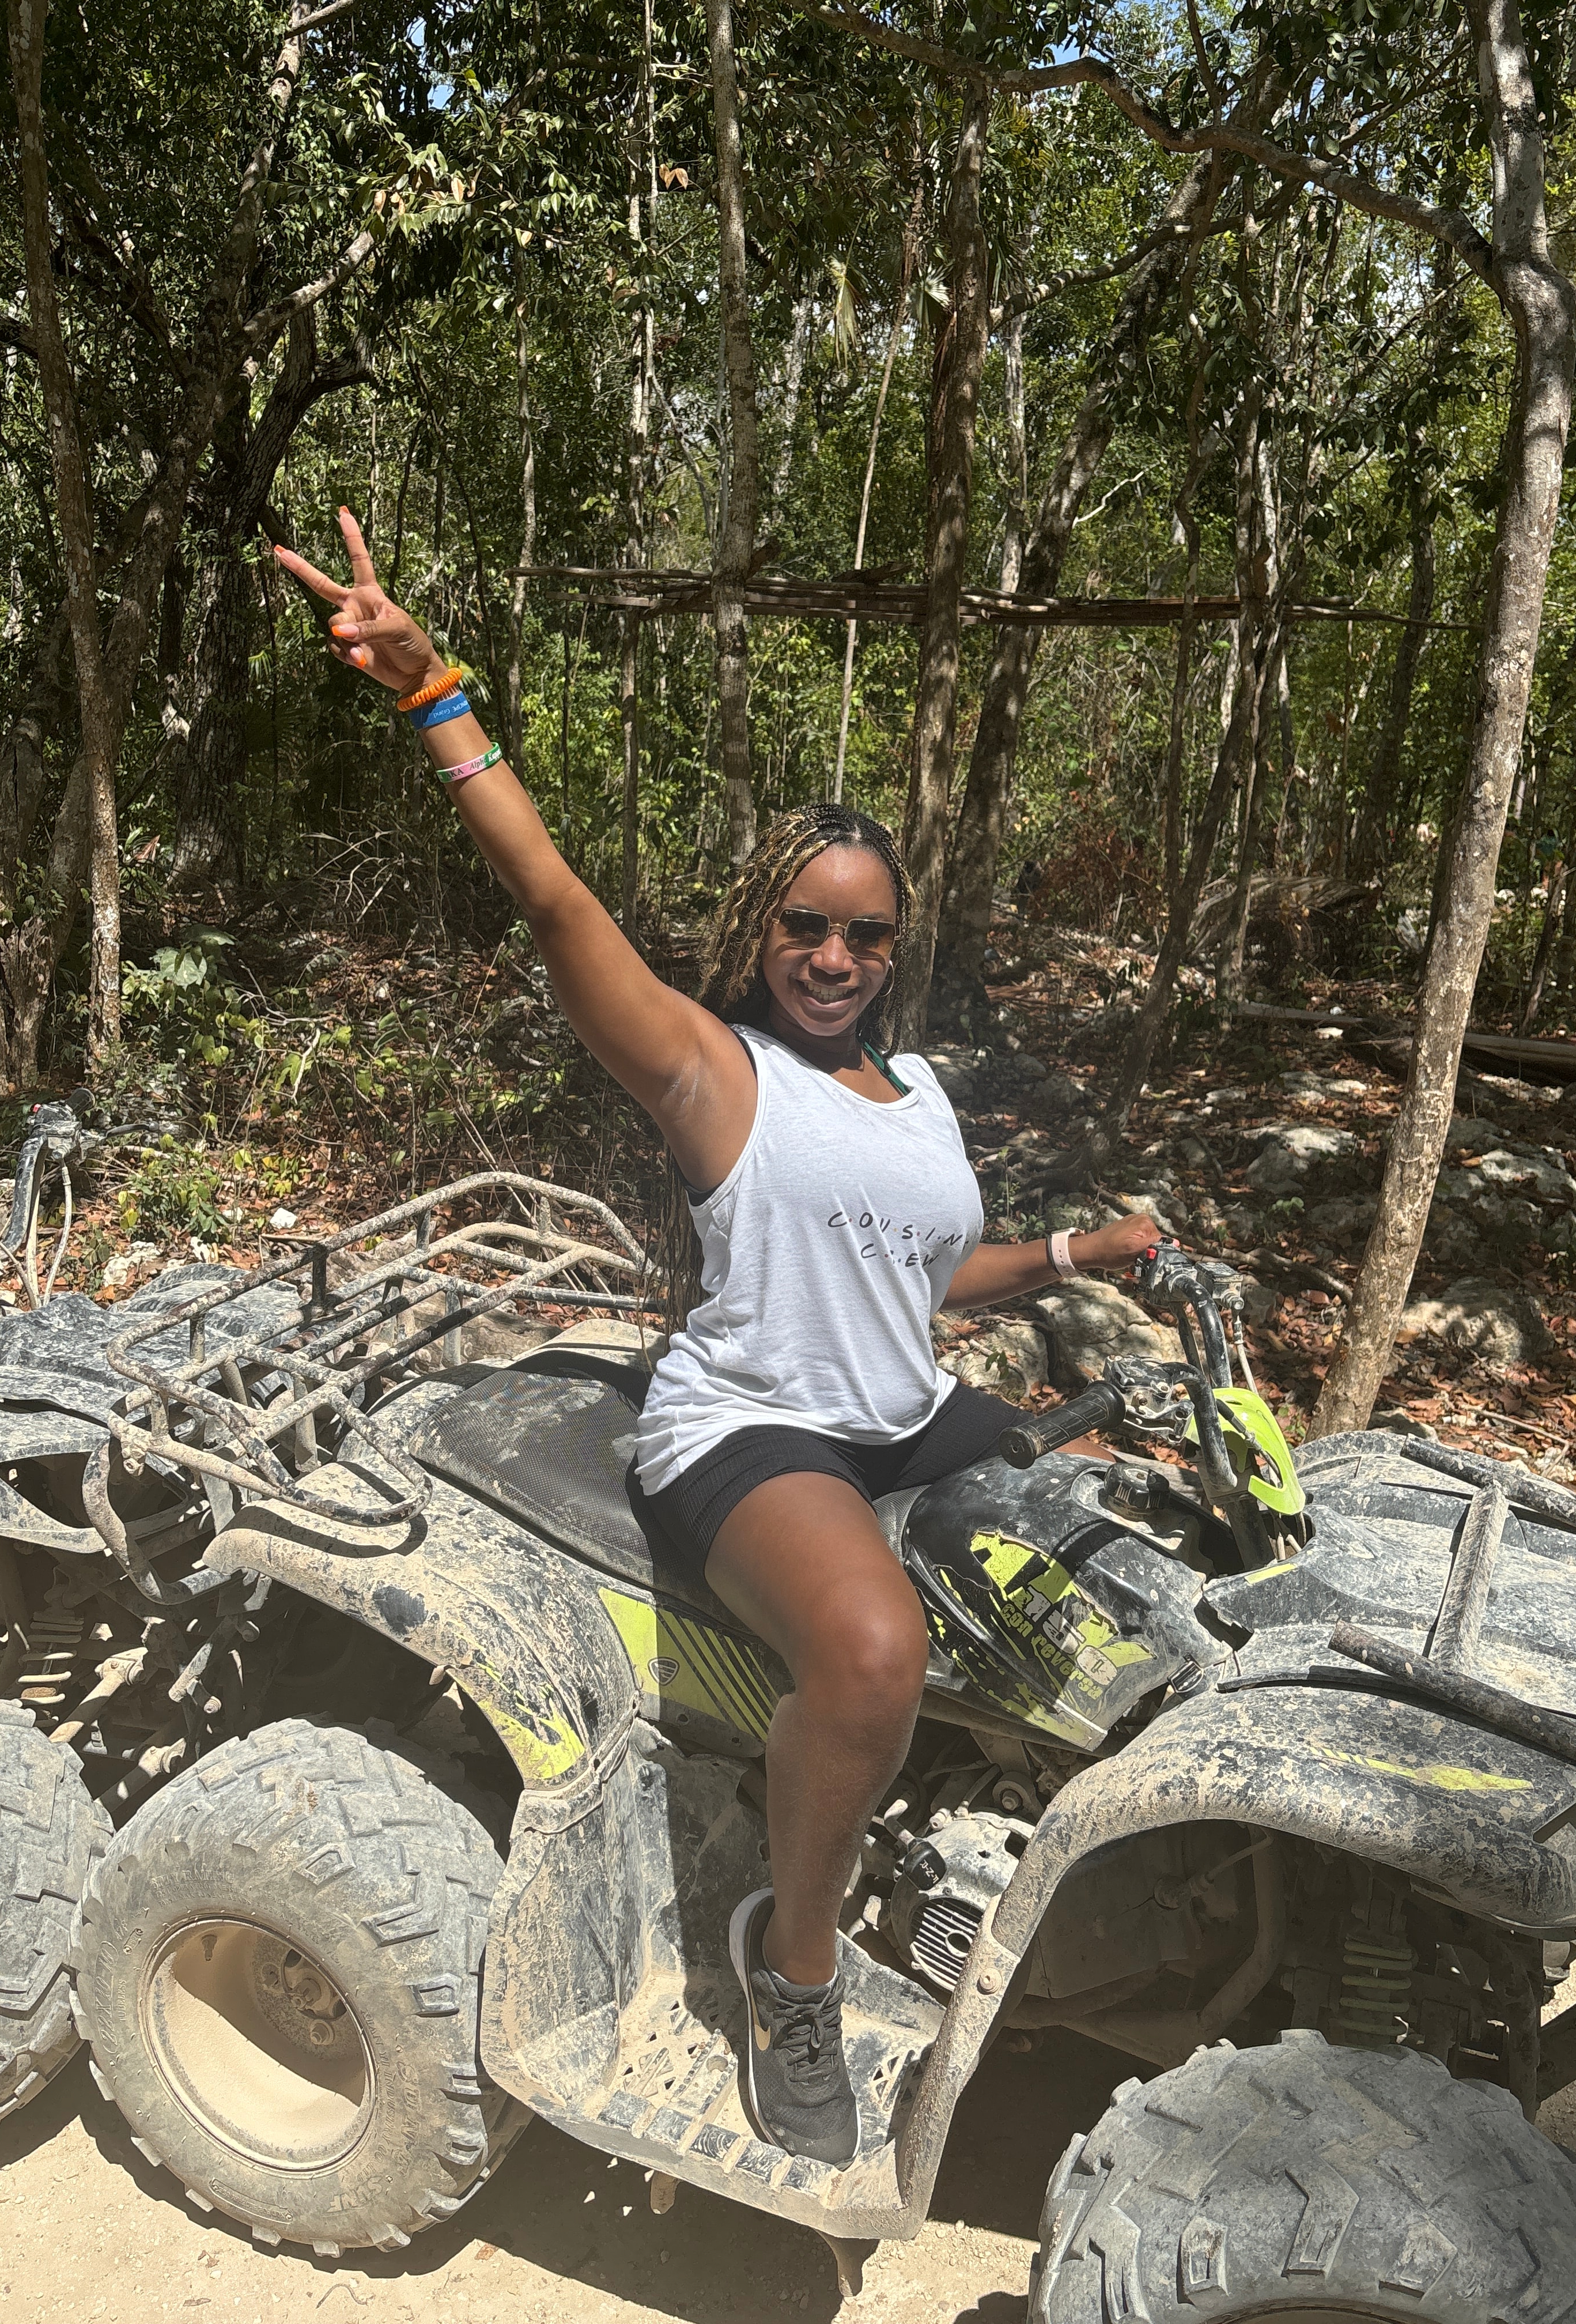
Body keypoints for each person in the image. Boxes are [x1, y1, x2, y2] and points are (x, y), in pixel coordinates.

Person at [271, 511, 1160, 2166]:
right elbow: (551, 896)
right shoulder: (711, 1069)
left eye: (867, 935)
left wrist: (1079, 1254)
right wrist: (430, 693)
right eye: (807, 928)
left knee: (1129, 1548)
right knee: (875, 1653)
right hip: (752, 1428)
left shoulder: (922, 1094)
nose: (835, 956)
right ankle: (795, 1969)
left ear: (900, 951)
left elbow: (924, 1272)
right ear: (764, 931)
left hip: (904, 1404)